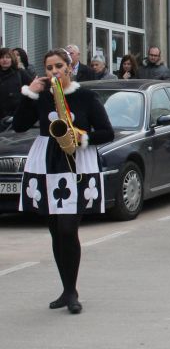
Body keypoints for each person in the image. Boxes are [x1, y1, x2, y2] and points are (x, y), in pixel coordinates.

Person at [13, 48, 114, 313]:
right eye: (49, 68)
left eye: (58, 66)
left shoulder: (85, 96)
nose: (54, 72)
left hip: (77, 162)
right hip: (46, 162)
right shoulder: (42, 97)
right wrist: (30, 93)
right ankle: (66, 288)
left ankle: (72, 291)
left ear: (69, 67)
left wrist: (82, 139)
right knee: (56, 230)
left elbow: (107, 132)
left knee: (69, 229)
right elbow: (20, 126)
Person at [1, 48, 33, 124]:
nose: (5, 60)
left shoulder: (20, 72)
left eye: (8, 57)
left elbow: (32, 88)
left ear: (12, 59)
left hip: (16, 117)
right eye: (2, 57)